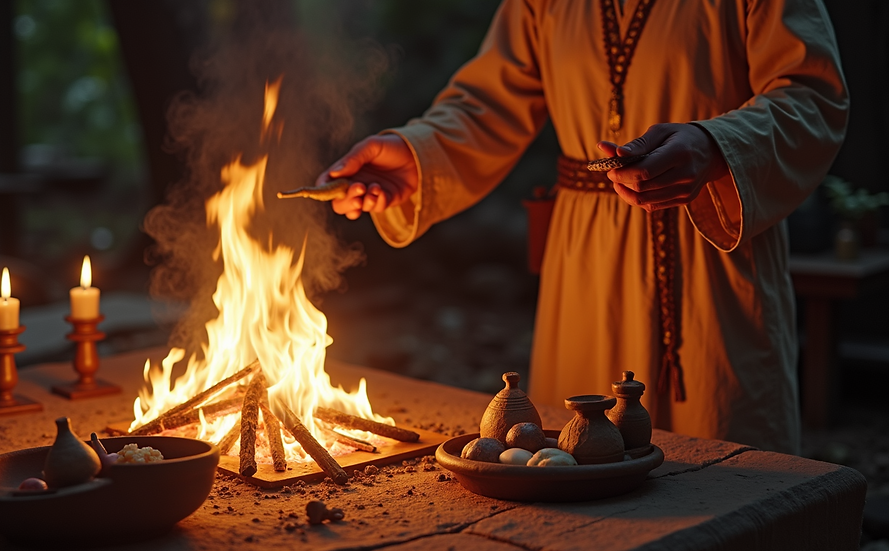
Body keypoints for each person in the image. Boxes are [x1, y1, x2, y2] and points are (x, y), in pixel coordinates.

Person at [315, 0, 848, 454]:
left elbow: (813, 95)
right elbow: (490, 103)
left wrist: (714, 147)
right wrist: (417, 155)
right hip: (585, 262)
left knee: (726, 469)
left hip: (709, 240)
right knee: (574, 463)